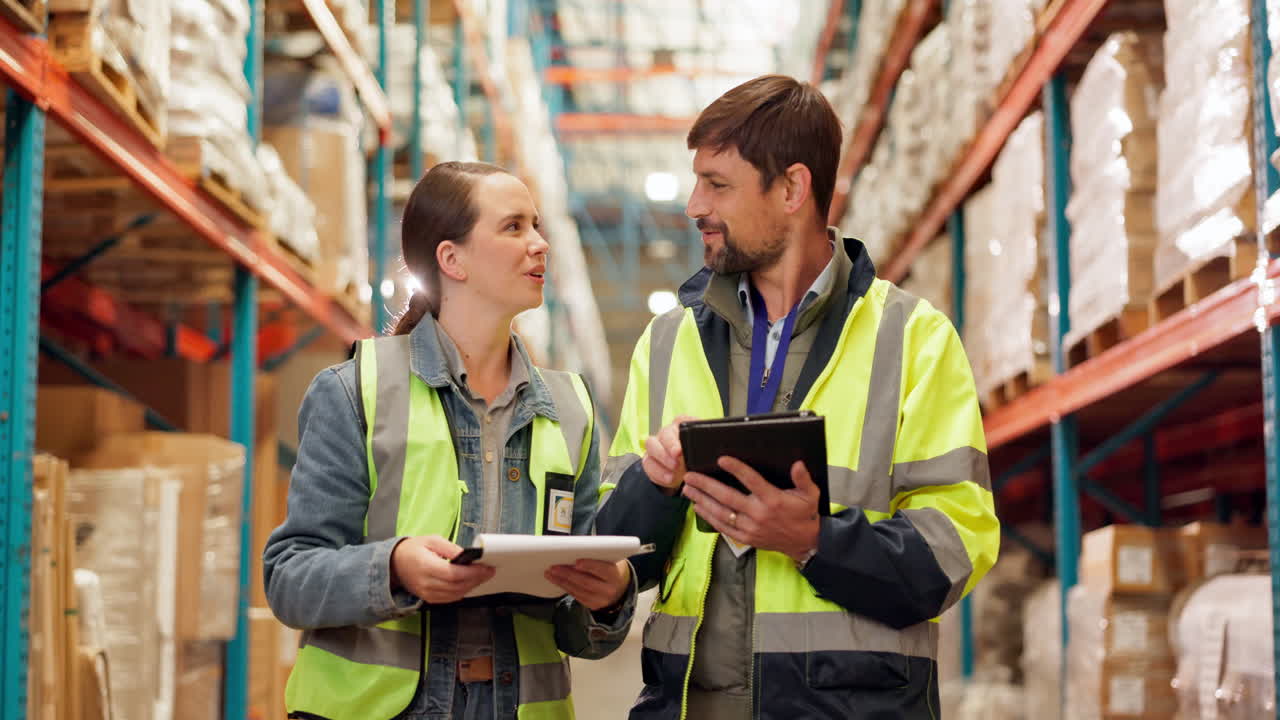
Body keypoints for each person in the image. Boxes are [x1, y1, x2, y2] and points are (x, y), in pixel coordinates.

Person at [595, 75, 1000, 719]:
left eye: (717, 184)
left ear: (791, 189)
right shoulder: (668, 341)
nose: (695, 206)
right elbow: (615, 550)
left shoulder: (913, 339)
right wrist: (655, 484)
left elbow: (954, 550)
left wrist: (815, 540)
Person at [264, 161, 636, 720]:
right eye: (513, 227)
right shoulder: (356, 391)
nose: (539, 244)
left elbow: (576, 627)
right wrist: (394, 567)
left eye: (537, 226)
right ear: (451, 259)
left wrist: (608, 600)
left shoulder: (570, 408)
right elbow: (289, 578)